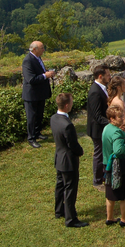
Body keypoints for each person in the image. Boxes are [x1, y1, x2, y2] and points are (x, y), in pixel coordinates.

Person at [50, 92, 88, 228]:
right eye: (71, 102)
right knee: (70, 189)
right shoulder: (67, 125)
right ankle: (71, 219)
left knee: (60, 186)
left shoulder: (54, 118)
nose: (72, 104)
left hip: (59, 158)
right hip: (68, 161)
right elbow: (73, 145)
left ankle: (59, 210)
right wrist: (81, 151)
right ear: (67, 105)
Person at [102, 105, 125, 227]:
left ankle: (110, 218)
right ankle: (124, 220)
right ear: (112, 118)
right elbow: (118, 150)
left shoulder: (107, 128)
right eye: (119, 117)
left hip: (107, 164)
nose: (122, 118)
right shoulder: (116, 133)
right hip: (119, 166)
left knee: (110, 194)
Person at [21, 41, 55, 148]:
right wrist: (45, 75)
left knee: (39, 115)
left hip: (40, 93)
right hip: (31, 95)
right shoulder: (27, 61)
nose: (43, 50)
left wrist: (46, 73)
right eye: (42, 48)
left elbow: (39, 72)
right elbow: (31, 79)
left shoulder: (38, 58)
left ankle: (37, 132)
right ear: (34, 49)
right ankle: (31, 138)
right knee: (31, 117)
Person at [87, 65, 111, 191]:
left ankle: (103, 175)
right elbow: (97, 115)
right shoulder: (95, 92)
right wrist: (111, 123)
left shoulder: (101, 88)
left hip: (102, 127)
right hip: (97, 129)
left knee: (103, 153)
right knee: (99, 154)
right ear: (100, 76)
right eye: (108, 75)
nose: (110, 76)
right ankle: (97, 181)